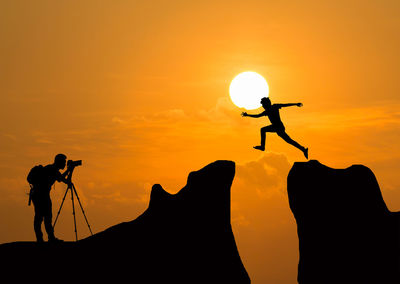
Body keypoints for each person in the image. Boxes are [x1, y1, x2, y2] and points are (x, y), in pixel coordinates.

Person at [241, 97, 308, 159]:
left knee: (264, 130)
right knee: (288, 140)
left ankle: (262, 146)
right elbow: (257, 116)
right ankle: (303, 149)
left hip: (278, 126)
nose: (263, 107)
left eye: (263, 105)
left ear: (267, 104)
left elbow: (285, 105)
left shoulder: (275, 106)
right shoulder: (267, 111)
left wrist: (295, 104)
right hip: (277, 127)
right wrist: (247, 115)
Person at [31, 154, 72, 242]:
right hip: (41, 195)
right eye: (64, 162)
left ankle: (46, 238)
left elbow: (63, 179)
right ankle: (44, 238)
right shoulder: (52, 169)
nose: (64, 165)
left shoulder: (52, 169)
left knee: (45, 217)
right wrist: (69, 170)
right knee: (42, 217)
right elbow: (63, 180)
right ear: (59, 162)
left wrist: (69, 171)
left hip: (40, 195)